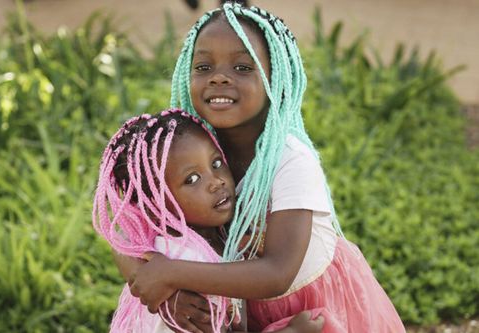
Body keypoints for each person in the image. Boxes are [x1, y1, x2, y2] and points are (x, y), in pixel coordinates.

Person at [117, 2, 406, 332]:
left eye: (242, 68)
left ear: (277, 79)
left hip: (311, 307)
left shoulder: (291, 161)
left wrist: (170, 273)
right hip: (240, 306)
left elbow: (277, 274)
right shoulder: (185, 147)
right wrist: (159, 291)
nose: (220, 78)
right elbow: (126, 231)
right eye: (203, 67)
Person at [93, 109, 325, 332]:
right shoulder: (193, 263)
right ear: (154, 207)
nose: (217, 182)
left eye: (216, 164)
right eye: (192, 179)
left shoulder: (201, 241)